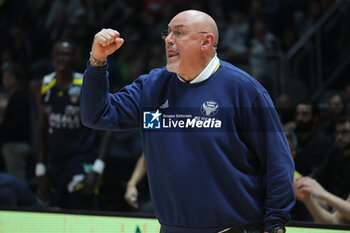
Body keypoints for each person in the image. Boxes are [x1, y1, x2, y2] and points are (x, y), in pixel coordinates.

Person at [81, 10, 295, 233]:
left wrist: (276, 222)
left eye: (179, 33)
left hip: (235, 228)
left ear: (206, 41)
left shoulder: (244, 90)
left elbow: (277, 161)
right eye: (167, 33)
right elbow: (96, 114)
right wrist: (97, 61)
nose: (168, 39)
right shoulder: (152, 87)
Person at [36, 40, 107, 210]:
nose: (62, 58)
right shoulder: (45, 85)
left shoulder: (85, 84)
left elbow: (107, 129)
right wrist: (40, 168)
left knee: (80, 207)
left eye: (67, 54)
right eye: (58, 54)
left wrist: (97, 169)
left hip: (82, 161)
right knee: (55, 212)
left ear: (75, 58)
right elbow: (42, 129)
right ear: (53, 58)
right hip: (55, 163)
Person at [0, 62, 31, 186]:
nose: (5, 80)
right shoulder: (12, 97)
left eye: (9, 77)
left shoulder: (19, 98)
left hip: (15, 145)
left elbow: (16, 125)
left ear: (17, 79)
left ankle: (23, 205)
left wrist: (2, 118)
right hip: (12, 145)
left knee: (17, 182)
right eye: (4, 76)